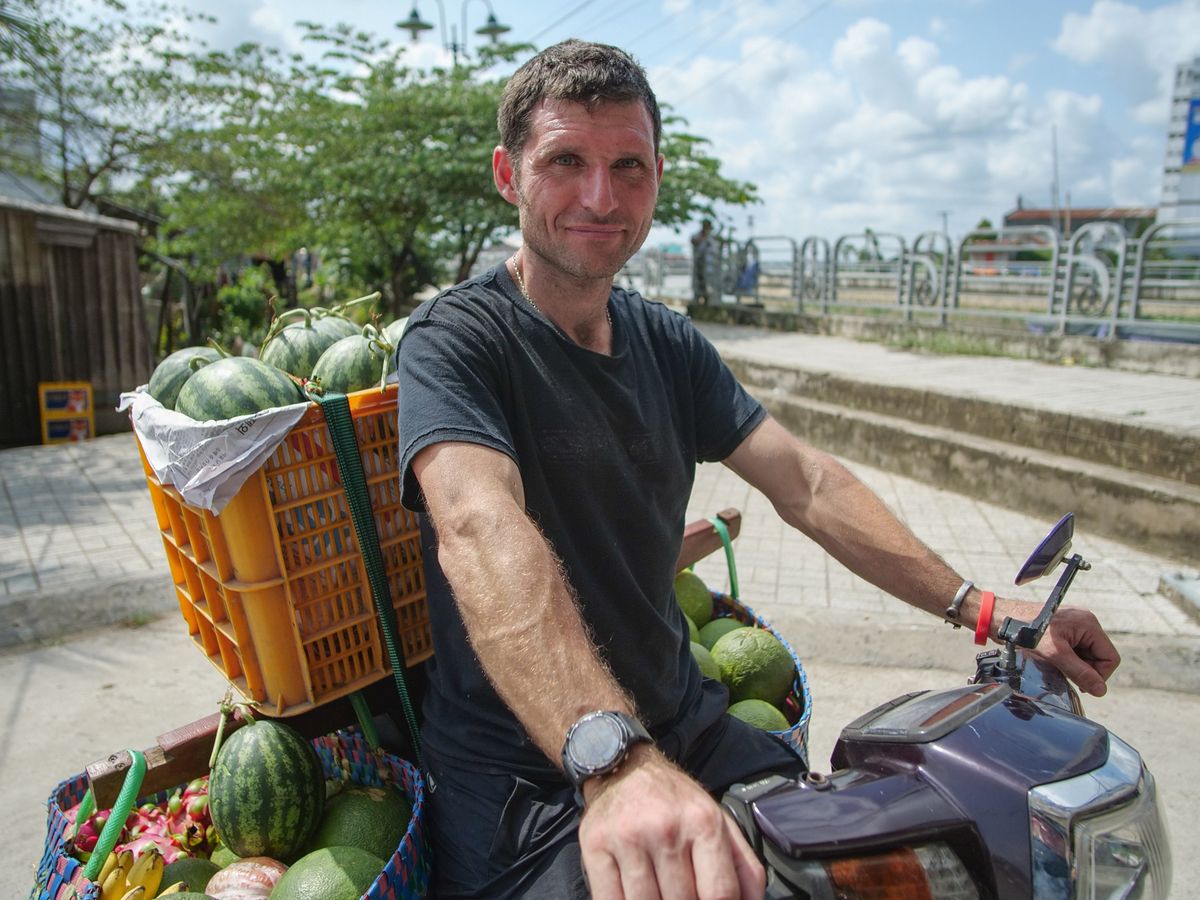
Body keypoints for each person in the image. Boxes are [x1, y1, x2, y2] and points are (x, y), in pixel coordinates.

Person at [395, 39, 1120, 899]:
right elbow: (480, 529)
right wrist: (610, 758)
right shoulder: (456, 343)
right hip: (532, 780)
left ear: (658, 175)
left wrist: (988, 608)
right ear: (508, 177)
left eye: (628, 164)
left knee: (903, 854)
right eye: (565, 161)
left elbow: (805, 482)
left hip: (684, 726)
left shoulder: (664, 342)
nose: (601, 195)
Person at [691, 218, 716, 304]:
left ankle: (707, 303)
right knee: (697, 288)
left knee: (708, 289)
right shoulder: (698, 236)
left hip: (709, 268)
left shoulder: (711, 237)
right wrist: (703, 237)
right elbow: (693, 241)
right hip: (698, 266)